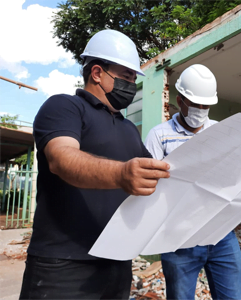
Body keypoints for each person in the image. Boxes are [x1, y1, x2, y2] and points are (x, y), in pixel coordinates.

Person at [19, 29, 170, 300]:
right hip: (63, 266)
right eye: (126, 76)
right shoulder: (64, 107)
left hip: (116, 262)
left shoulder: (128, 129)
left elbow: (158, 173)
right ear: (97, 73)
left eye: (134, 78)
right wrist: (122, 173)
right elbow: (61, 159)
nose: (132, 84)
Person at [145, 64, 241, 300]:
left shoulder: (221, 131)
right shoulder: (159, 135)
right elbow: (150, 187)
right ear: (180, 100)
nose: (200, 110)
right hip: (179, 239)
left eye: (205, 105)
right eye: (195, 104)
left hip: (221, 235)